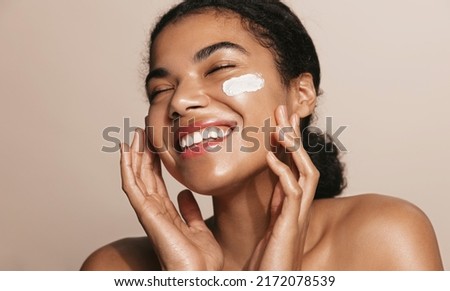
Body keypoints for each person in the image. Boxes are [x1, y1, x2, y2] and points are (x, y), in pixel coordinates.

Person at [81, 0, 443, 270]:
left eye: (220, 67)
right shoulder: (114, 268)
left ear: (301, 94)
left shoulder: (383, 237)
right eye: (160, 89)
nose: (180, 100)